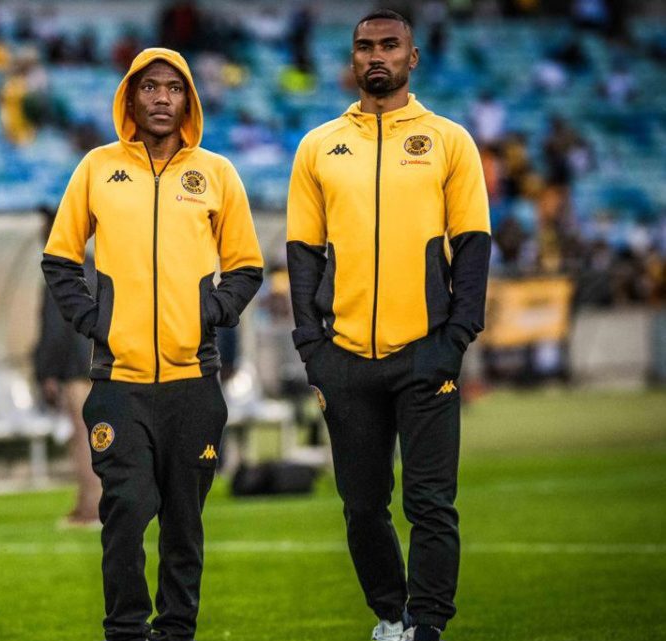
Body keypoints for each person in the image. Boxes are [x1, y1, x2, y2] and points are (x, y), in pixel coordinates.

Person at [42, 48, 263, 641]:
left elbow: (246, 267)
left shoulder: (216, 174)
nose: (161, 98)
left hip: (195, 382)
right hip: (119, 383)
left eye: (174, 89)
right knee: (127, 509)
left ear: (188, 100)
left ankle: (177, 631)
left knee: (185, 524)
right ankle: (126, 631)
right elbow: (59, 258)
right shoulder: (96, 168)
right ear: (130, 98)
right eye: (150, 88)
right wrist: (95, 322)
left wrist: (209, 313)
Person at [285, 11, 490, 641]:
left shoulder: (449, 140)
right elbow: (301, 254)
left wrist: (455, 340)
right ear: (352, 59)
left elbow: (474, 245)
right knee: (362, 507)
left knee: (431, 503)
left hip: (426, 355)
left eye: (390, 46)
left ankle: (426, 626)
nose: (377, 56)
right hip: (343, 359)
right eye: (365, 47)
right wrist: (311, 348)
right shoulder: (318, 146)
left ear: (413, 57)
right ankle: (390, 616)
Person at [33, 208, 100, 528]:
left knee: (84, 439)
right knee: (103, 438)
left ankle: (91, 507)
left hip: (77, 370)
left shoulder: (59, 275)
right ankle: (91, 504)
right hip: (105, 364)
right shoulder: (99, 269)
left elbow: (55, 329)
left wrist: (46, 372)